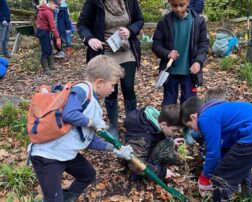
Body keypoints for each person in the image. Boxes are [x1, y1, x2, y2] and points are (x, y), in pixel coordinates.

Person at [28, 55, 134, 202]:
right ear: (100, 82)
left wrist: (114, 149)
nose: (114, 89)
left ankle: (67, 198)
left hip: (64, 153)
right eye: (113, 84)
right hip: (47, 157)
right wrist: (92, 122)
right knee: (53, 199)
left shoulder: (92, 101)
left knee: (87, 174)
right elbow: (69, 114)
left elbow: (88, 140)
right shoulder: (82, 90)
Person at [179, 90, 252, 201]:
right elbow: (224, 148)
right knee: (238, 163)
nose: (193, 130)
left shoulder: (205, 117)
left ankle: (221, 198)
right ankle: (246, 196)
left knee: (221, 176)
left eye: (190, 126)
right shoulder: (217, 110)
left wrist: (204, 178)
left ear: (193, 117)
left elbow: (213, 154)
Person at [77, 0, 144, 140]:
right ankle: (113, 125)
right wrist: (89, 39)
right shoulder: (94, 2)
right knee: (110, 90)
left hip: (126, 50)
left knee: (128, 87)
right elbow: (82, 25)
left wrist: (130, 30)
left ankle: (132, 125)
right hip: (105, 52)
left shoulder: (130, 1)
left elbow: (139, 20)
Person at [152, 0, 209, 145]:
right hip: (170, 71)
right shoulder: (165, 22)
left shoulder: (198, 21)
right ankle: (167, 131)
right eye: (174, 5)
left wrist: (198, 62)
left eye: (181, 5)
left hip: (190, 73)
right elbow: (156, 44)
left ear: (188, 2)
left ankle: (187, 129)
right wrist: (167, 53)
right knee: (169, 102)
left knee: (189, 102)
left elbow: (203, 45)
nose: (177, 9)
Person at [124, 105, 184, 180]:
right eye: (174, 130)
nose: (176, 133)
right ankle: (142, 176)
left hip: (144, 149)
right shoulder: (142, 138)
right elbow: (136, 165)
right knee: (168, 144)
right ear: (163, 125)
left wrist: (173, 141)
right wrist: (162, 172)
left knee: (169, 142)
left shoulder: (155, 120)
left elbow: (157, 135)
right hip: (136, 161)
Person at [36, 0, 62, 73]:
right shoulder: (48, 12)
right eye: (55, 6)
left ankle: (52, 66)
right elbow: (53, 26)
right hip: (43, 32)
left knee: (49, 48)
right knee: (46, 50)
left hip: (41, 31)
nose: (55, 8)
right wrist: (57, 37)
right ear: (51, 2)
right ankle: (46, 69)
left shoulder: (43, 8)